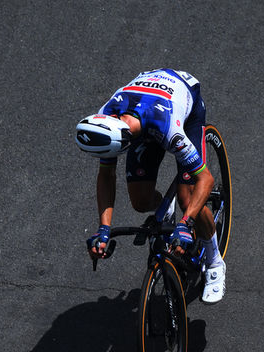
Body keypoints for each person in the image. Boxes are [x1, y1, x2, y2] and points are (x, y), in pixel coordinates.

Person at [75, 69, 225, 303]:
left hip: (180, 106)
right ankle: (166, 209)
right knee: (141, 201)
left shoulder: (170, 130)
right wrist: (103, 228)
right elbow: (106, 175)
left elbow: (206, 179)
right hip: (142, 109)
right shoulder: (106, 117)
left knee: (189, 199)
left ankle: (215, 259)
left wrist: (186, 223)